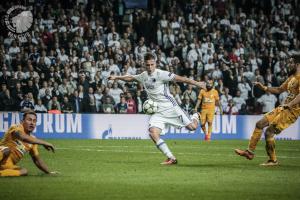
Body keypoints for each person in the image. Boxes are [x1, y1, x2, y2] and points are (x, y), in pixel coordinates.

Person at [109, 52, 205, 165]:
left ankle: (195, 115)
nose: (150, 67)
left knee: (192, 127)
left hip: (170, 107)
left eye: (152, 64)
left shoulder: (161, 74)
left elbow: (181, 79)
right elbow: (130, 78)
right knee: (153, 132)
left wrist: (197, 83)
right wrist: (116, 77)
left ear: (155, 63)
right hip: (157, 111)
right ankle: (171, 158)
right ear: (144, 64)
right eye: (147, 65)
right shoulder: (144, 75)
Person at [235, 55, 300, 166]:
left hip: (291, 112)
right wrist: (264, 87)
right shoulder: (292, 78)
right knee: (259, 124)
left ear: (297, 65)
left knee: (269, 132)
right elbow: (279, 89)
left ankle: (273, 160)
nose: (289, 65)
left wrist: (289, 104)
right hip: (282, 108)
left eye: (291, 63)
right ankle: (249, 152)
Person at [0, 110, 58, 176]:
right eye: (29, 120)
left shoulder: (33, 141)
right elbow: (23, 137)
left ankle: (1, 173)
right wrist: (44, 143)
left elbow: (37, 160)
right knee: (6, 150)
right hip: (1, 155)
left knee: (24, 171)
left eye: (34, 121)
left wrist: (48, 172)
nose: (32, 123)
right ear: (22, 121)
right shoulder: (16, 128)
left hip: (7, 165)